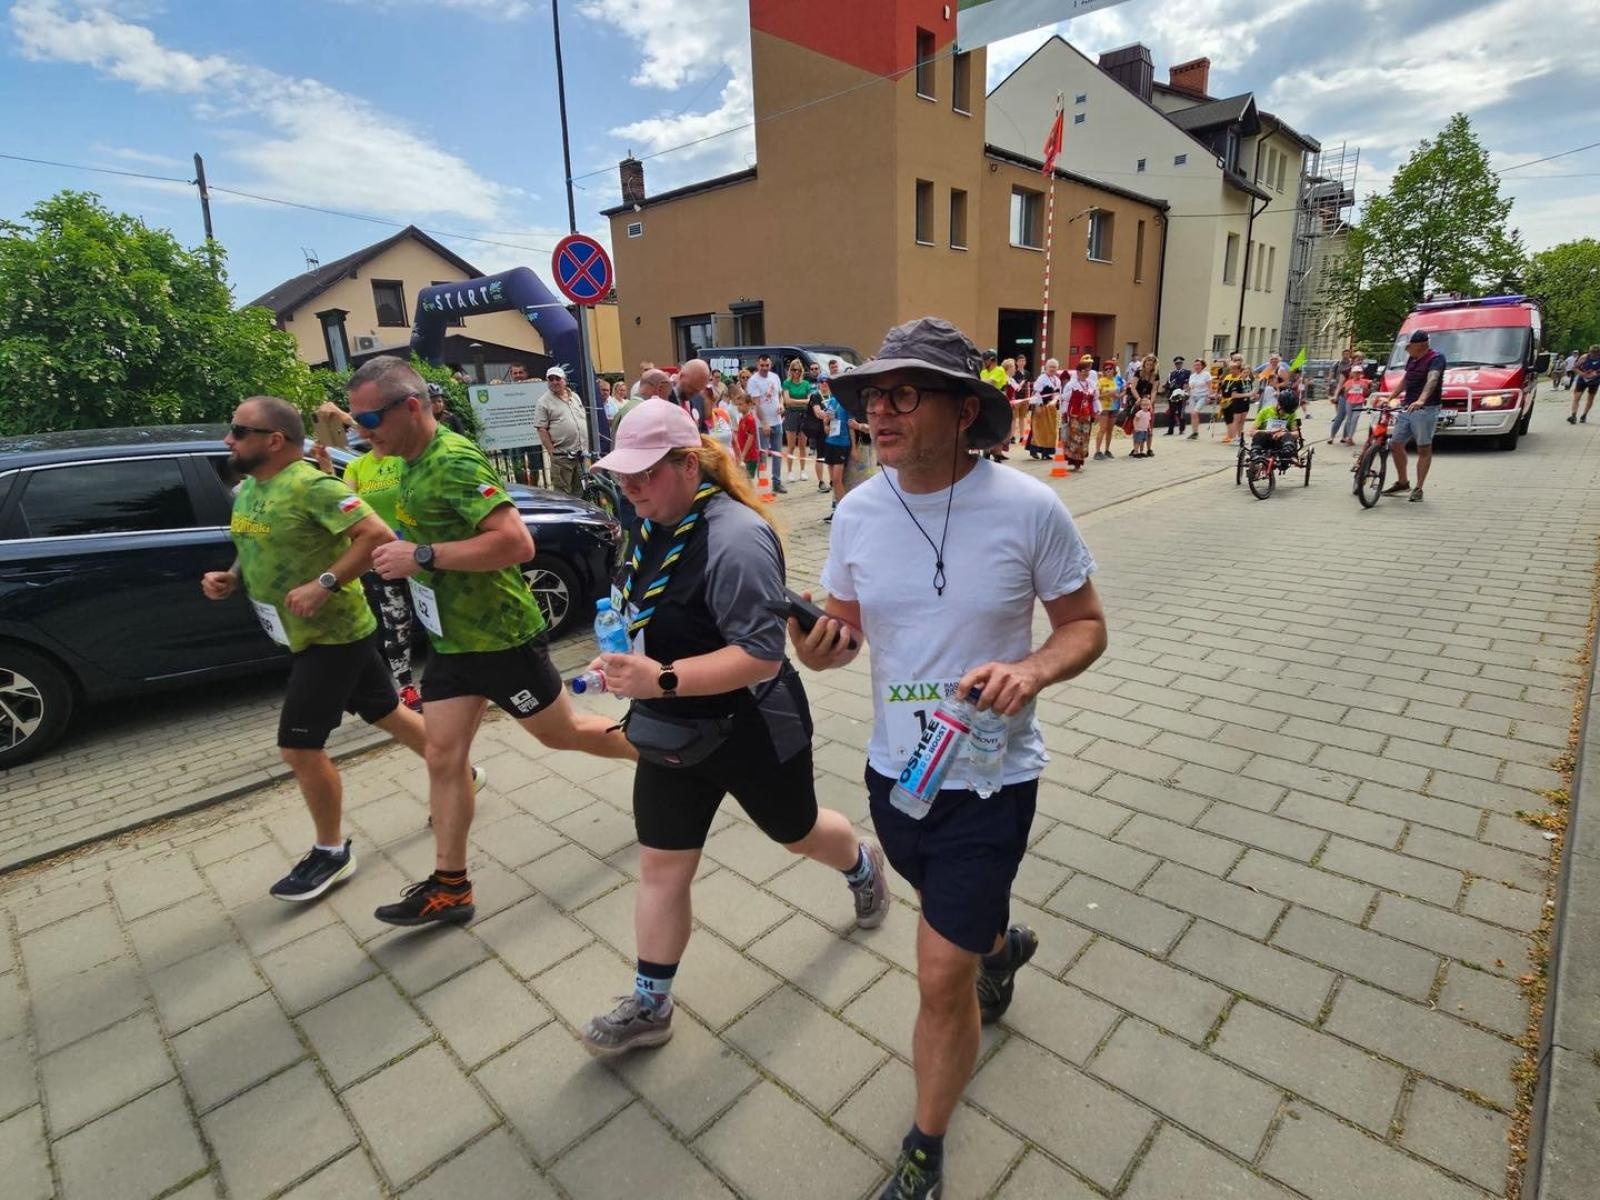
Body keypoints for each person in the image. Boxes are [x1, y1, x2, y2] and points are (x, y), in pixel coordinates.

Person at [795, 318, 1106, 1200]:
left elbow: (1086, 625)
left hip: (992, 780)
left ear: (964, 410)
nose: (878, 413)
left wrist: (1031, 668)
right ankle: (999, 947)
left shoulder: (1030, 508)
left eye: (902, 395)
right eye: (871, 398)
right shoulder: (858, 512)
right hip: (897, 776)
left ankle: (923, 1151)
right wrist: (820, 648)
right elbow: (845, 630)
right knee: (958, 929)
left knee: (938, 976)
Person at [578, 399, 888, 1058]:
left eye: (644, 473)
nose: (630, 487)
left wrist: (660, 677)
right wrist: (618, 661)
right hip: (671, 731)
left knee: (799, 833)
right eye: (623, 474)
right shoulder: (647, 524)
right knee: (661, 867)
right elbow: (642, 612)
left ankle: (862, 863)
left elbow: (761, 656)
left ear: (689, 464)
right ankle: (651, 1004)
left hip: (753, 727)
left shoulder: (736, 537)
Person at [348, 356, 635, 925]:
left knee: (563, 733)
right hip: (453, 640)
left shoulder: (452, 460)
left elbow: (517, 543)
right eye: (356, 419)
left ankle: (668, 758)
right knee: (442, 754)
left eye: (370, 418)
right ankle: (450, 887)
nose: (362, 430)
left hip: (501, 638)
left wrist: (422, 556)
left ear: (411, 407)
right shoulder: (407, 460)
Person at [203, 396, 436, 901]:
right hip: (299, 632)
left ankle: (331, 852)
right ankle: (457, 772)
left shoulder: (313, 485)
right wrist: (231, 577)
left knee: (299, 747)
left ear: (274, 441)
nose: (228, 439)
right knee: (387, 712)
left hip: (334, 634)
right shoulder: (251, 489)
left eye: (238, 431)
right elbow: (253, 543)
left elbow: (376, 534)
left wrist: (324, 583)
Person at [341, 442, 422, 710]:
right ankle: (406, 688)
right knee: (396, 620)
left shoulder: (403, 458)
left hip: (417, 550)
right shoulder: (356, 466)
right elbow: (346, 507)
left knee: (435, 613)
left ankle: (455, 678)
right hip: (382, 557)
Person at [1377, 330, 1446, 502]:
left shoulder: (1436, 358)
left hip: (1426, 409)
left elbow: (1432, 380)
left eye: (1409, 346)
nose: (1407, 349)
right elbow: (1406, 380)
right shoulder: (1412, 359)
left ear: (1421, 345)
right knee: (1396, 443)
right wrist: (1390, 398)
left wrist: (1421, 400)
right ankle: (1403, 482)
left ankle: (1418, 488)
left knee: (1423, 448)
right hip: (1408, 407)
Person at [535, 366, 589, 497]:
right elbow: (541, 428)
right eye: (551, 379)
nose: (554, 382)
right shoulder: (543, 402)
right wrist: (552, 451)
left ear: (564, 380)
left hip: (580, 454)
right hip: (562, 455)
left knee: (579, 492)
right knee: (562, 494)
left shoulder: (575, 397)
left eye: (557, 379)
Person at [813, 375, 857, 520]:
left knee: (838, 480)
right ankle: (837, 510)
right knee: (833, 481)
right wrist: (826, 423)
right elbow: (826, 423)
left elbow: (851, 426)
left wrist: (854, 448)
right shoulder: (832, 401)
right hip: (830, 442)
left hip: (842, 443)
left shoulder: (847, 404)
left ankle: (845, 513)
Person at [746, 354, 786, 493]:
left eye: (767, 365)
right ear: (758, 365)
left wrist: (781, 405)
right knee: (762, 455)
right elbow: (756, 404)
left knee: (777, 453)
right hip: (762, 424)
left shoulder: (775, 377)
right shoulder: (753, 380)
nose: (764, 368)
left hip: (777, 421)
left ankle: (777, 482)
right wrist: (764, 423)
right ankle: (762, 484)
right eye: (762, 365)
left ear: (770, 365)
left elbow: (779, 395)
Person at [781, 358, 814, 483]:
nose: (796, 372)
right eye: (794, 370)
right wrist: (803, 401)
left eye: (799, 370)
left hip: (804, 415)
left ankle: (803, 470)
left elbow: (809, 401)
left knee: (802, 445)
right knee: (791, 446)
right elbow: (787, 401)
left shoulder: (806, 384)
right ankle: (790, 471)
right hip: (791, 414)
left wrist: (795, 401)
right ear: (790, 370)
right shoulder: (786, 383)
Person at [1062, 355, 1097, 470]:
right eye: (1083, 371)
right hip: (1075, 415)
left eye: (1087, 371)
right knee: (1075, 437)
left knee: (1084, 437)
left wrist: (1096, 412)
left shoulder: (1091, 384)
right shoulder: (1072, 385)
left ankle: (1080, 460)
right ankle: (1073, 460)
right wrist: (1064, 414)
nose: (1086, 373)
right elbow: (1066, 399)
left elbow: (1095, 399)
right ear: (1078, 372)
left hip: (1086, 415)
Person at [1250, 385, 1302, 460]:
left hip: (1282, 442)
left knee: (1288, 435)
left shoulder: (1291, 414)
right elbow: (1251, 432)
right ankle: (1255, 453)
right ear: (1278, 404)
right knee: (1259, 434)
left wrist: (1284, 433)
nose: (1285, 414)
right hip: (1266, 440)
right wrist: (1269, 431)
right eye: (1284, 411)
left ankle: (1288, 453)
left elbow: (1296, 433)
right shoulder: (1265, 411)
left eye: (1287, 412)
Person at [979, 350, 1010, 461]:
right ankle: (987, 451)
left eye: (985, 360)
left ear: (992, 360)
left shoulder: (999, 370)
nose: (984, 362)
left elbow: (991, 383)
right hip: (986, 401)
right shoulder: (983, 372)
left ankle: (997, 452)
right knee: (985, 426)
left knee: (996, 427)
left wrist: (979, 382)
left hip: (997, 402)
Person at [1331, 365, 1370, 445]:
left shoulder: (1363, 382)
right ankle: (1336, 436)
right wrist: (1348, 389)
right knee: (1348, 419)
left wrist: (1364, 389)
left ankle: (1350, 437)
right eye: (1355, 373)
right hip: (1349, 403)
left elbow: (1366, 393)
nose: (1357, 374)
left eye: (1358, 373)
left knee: (1354, 420)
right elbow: (1345, 394)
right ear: (1352, 373)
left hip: (1359, 403)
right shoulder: (1349, 382)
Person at [733, 389, 761, 481]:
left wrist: (743, 454)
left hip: (750, 456)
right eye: (738, 405)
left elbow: (750, 438)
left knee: (747, 481)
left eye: (741, 404)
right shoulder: (742, 419)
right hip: (744, 455)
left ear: (749, 404)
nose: (738, 407)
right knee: (743, 480)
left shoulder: (750, 420)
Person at [1568, 345, 1599, 424]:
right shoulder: (1584, 357)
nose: (1594, 354)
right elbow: (1575, 367)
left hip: (1594, 381)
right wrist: (1582, 374)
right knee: (1577, 397)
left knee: (1590, 398)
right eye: (1592, 352)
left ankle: (1584, 415)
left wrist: (1595, 373)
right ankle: (1573, 415)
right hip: (1582, 379)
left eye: (1596, 352)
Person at [1163, 355, 1191, 436]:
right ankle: (1170, 430)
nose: (1178, 365)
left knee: (1181, 413)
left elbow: (1188, 383)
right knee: (1171, 413)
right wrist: (1167, 386)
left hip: (1182, 394)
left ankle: (1181, 429)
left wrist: (1187, 393)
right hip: (1173, 395)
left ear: (1182, 364)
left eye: (1180, 363)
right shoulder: (1171, 374)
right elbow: (1168, 384)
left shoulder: (1187, 372)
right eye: (1177, 364)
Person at [1186, 356, 1211, 439]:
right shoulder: (1192, 376)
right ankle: (1194, 432)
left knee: (1195, 412)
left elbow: (1209, 386)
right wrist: (1187, 394)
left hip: (1202, 396)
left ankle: (1196, 432)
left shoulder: (1206, 374)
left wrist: (1208, 396)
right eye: (1195, 365)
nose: (1197, 367)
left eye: (1198, 365)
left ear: (1202, 366)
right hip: (1193, 396)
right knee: (1192, 414)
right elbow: (1190, 387)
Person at [1131, 393, 1155, 457]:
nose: (1145, 407)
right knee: (1138, 441)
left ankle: (1141, 451)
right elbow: (1135, 420)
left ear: (1149, 406)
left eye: (1147, 405)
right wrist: (1135, 427)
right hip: (1139, 429)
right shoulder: (1140, 412)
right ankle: (1136, 452)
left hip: (1145, 429)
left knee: (1143, 441)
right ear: (1141, 406)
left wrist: (1149, 428)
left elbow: (1148, 421)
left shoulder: (1148, 413)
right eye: (1144, 405)